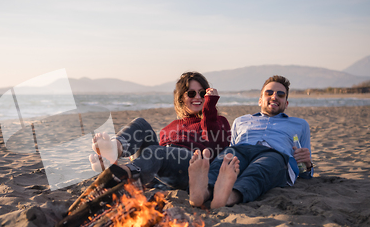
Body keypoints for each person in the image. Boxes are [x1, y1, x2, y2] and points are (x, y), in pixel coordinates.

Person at [87, 72, 230, 193]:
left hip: (192, 167)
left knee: (158, 152)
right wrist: (140, 158)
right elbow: (154, 154)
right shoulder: (170, 127)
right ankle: (114, 149)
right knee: (141, 123)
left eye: (202, 93)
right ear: (181, 98)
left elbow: (216, 141)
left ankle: (122, 173)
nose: (198, 97)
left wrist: (210, 107)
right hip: (161, 172)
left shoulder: (219, 121)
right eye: (191, 93)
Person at [188, 75, 314, 209]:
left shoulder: (300, 124)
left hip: (274, 154)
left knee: (259, 170)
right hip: (241, 149)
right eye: (269, 93)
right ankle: (203, 192)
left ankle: (229, 196)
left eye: (281, 94)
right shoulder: (241, 120)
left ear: (286, 103)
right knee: (224, 161)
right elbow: (233, 145)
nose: (274, 97)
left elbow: (307, 173)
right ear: (260, 100)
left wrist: (307, 164)